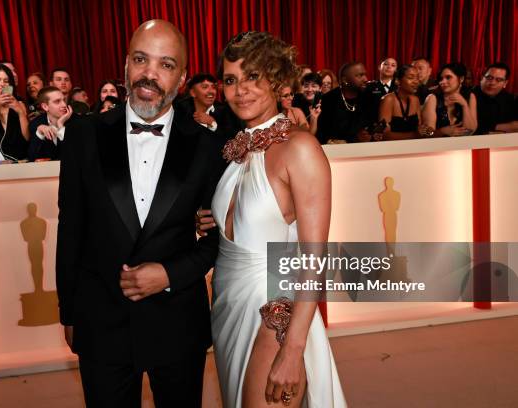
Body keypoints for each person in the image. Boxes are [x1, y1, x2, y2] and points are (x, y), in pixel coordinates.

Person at [56, 19, 224, 407]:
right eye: (141, 59)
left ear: (181, 78)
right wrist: (69, 310)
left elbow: (220, 238)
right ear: (125, 65)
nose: (150, 73)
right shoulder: (84, 135)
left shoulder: (206, 146)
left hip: (178, 321)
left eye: (166, 64)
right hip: (101, 320)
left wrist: (169, 273)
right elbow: (71, 228)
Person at [210, 31, 346, 407]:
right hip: (229, 307)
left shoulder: (300, 148)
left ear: (278, 79)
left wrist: (292, 350)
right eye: (231, 80)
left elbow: (315, 258)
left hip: (275, 308)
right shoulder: (239, 152)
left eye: (253, 76)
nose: (241, 90)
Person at [317, 62, 380, 143]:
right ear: (345, 79)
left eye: (365, 74)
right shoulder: (329, 99)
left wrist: (374, 135)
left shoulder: (370, 97)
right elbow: (323, 133)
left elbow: (373, 127)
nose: (365, 79)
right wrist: (351, 139)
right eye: (360, 75)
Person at [422, 62, 478, 137]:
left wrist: (464, 105)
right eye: (441, 79)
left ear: (461, 79)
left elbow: (471, 130)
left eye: (448, 77)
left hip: (463, 145)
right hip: (437, 145)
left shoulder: (470, 96)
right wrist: (442, 131)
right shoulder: (432, 98)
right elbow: (427, 134)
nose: (442, 82)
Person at [378, 65, 426, 140]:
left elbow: (419, 127)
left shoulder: (415, 99)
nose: (416, 81)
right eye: (411, 77)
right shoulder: (388, 99)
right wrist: (414, 135)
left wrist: (425, 130)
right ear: (397, 81)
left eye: (417, 78)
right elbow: (384, 135)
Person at [28, 86, 72, 161]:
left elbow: (73, 154)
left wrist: (60, 125)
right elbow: (32, 157)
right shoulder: (36, 124)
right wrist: (39, 133)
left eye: (64, 100)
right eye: (57, 101)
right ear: (45, 106)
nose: (64, 105)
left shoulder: (76, 122)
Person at [473, 62, 518, 134]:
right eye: (489, 78)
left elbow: (515, 126)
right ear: (482, 78)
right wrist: (503, 128)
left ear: (505, 83)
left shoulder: (509, 99)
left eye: (499, 80)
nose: (492, 83)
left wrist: (491, 128)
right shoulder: (469, 96)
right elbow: (468, 128)